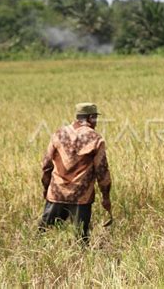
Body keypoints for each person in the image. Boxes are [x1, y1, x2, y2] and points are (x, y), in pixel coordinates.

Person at [39, 103, 112, 244]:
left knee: (44, 234)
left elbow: (46, 165)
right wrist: (106, 197)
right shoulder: (96, 139)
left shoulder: (59, 134)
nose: (96, 122)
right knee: (81, 239)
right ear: (91, 118)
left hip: (57, 192)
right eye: (95, 118)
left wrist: (46, 188)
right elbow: (102, 171)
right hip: (81, 196)